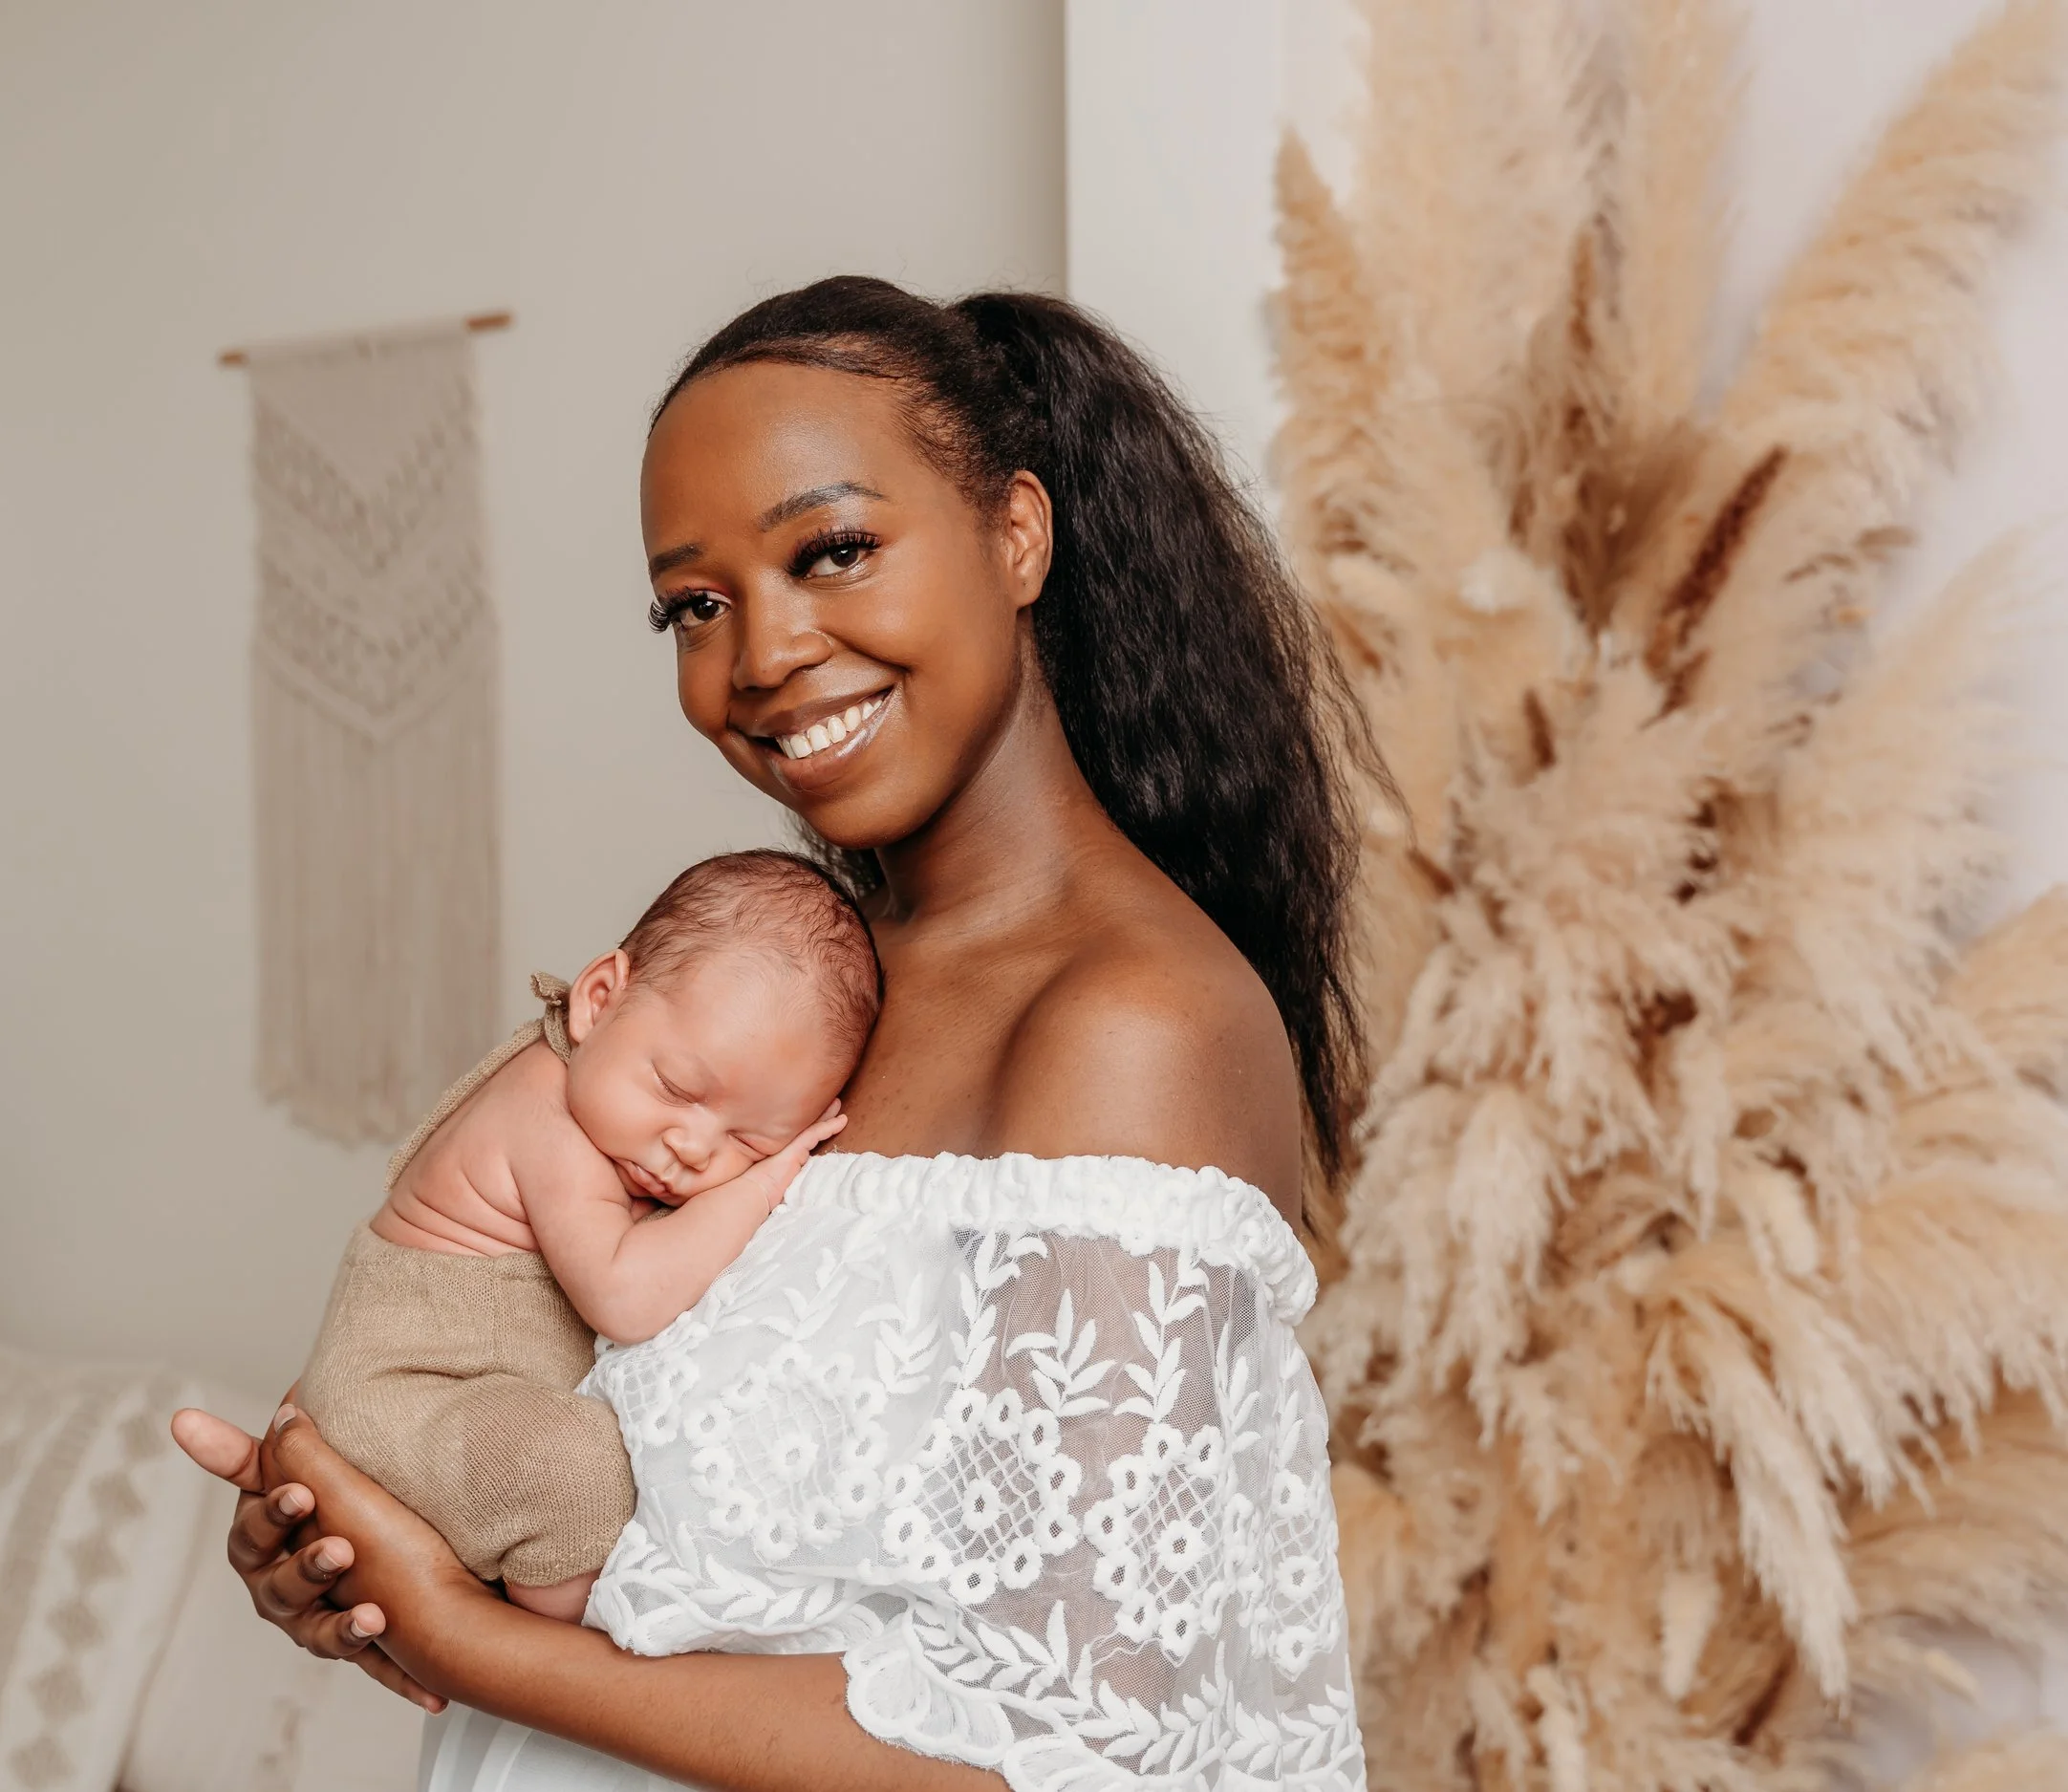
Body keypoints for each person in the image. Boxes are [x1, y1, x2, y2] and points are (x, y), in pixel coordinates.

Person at [175, 276, 1373, 1792]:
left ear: (1018, 534)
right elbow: (655, 1503)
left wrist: (476, 1643)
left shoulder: (1131, 1024)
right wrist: (366, 1542)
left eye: (836, 550)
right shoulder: (792, 1006)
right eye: (697, 604)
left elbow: (1063, 1750)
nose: (761, 655)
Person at [295, 850, 875, 1624]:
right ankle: (560, 1645)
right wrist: (764, 1182)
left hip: (459, 1400)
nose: (694, 1149)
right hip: (402, 1392)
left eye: (754, 1138)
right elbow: (627, 1296)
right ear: (598, 1002)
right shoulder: (546, 1112)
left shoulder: (615, 1116)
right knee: (578, 1472)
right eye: (675, 1088)